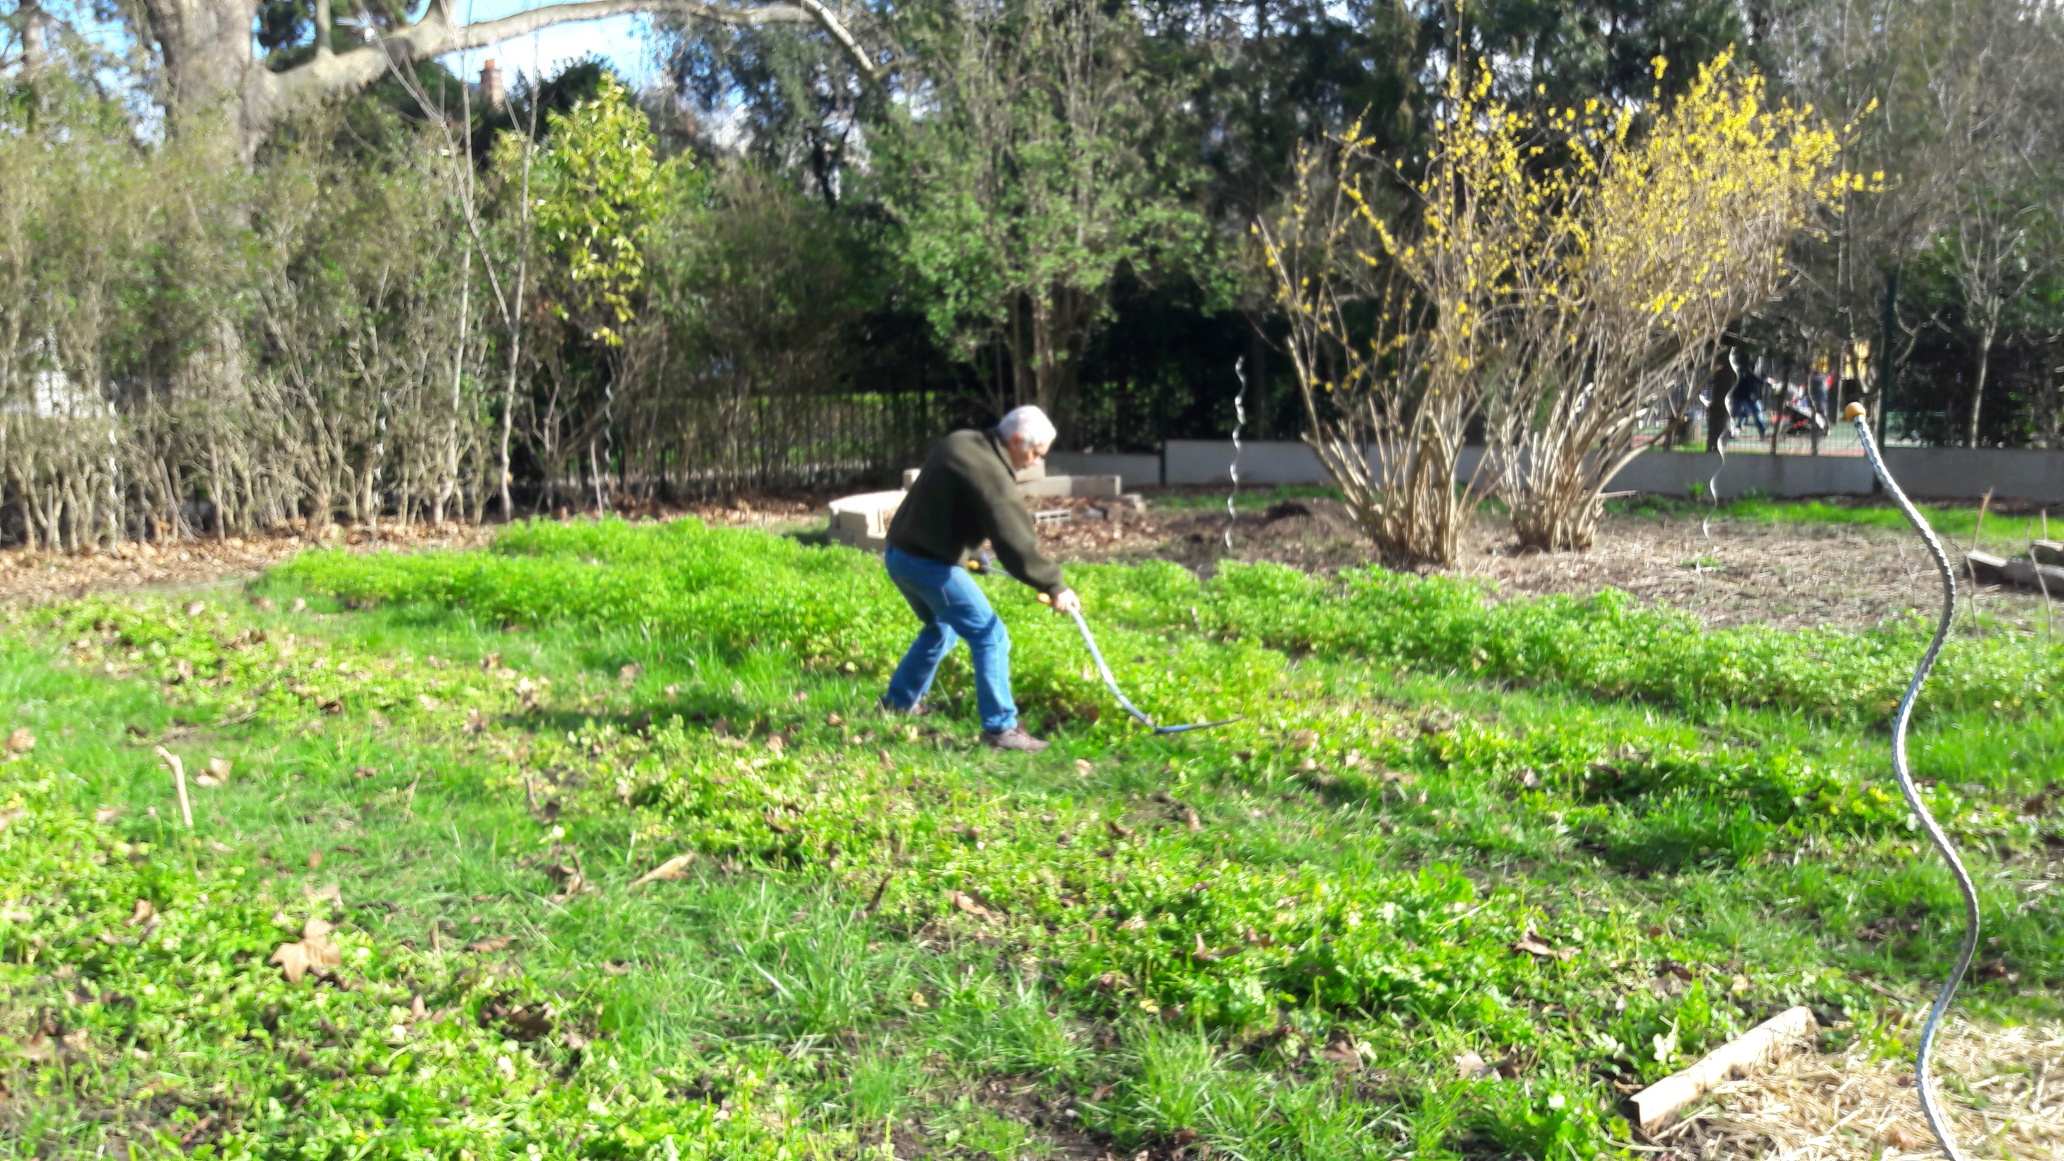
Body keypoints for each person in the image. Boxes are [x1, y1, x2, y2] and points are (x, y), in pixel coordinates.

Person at [879, 405, 1080, 753]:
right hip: (929, 565)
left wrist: (968, 555)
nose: (1034, 462)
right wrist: (1054, 584)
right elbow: (1015, 541)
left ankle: (898, 703)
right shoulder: (991, 473)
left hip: (900, 555)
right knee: (992, 636)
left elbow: (943, 505)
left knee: (941, 628)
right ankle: (1001, 729)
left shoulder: (962, 442)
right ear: (1016, 440)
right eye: (1034, 453)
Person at [1728, 351, 1767, 438]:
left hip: (1748, 396)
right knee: (1739, 414)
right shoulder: (1743, 368)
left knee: (1755, 413)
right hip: (1740, 396)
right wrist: (1764, 381)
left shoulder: (1747, 367)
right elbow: (1754, 377)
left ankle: (1761, 431)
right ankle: (1735, 430)